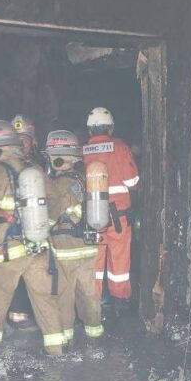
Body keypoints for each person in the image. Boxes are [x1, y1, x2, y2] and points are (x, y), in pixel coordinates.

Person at [0, 120, 65, 356]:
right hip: (39, 246)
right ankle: (56, 349)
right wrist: (45, 226)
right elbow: (57, 200)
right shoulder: (34, 170)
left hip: (6, 249)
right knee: (45, 301)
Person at [45, 130, 104, 345]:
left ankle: (67, 339)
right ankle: (94, 335)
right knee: (89, 294)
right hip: (87, 245)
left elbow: (51, 217)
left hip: (65, 248)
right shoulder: (84, 179)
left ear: (57, 158)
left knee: (65, 295)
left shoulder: (58, 184)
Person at [82, 107, 139, 302]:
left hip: (92, 217)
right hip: (118, 219)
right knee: (119, 263)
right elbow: (132, 182)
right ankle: (120, 302)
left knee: (94, 264)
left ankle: (93, 303)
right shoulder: (120, 148)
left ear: (90, 130)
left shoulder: (83, 151)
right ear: (111, 128)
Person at [6, 114, 39, 330]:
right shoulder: (1, 167)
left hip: (36, 228)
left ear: (32, 141)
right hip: (11, 230)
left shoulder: (38, 165)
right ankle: (17, 315)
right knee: (14, 274)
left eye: (24, 139)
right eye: (16, 139)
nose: (20, 143)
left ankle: (32, 313)